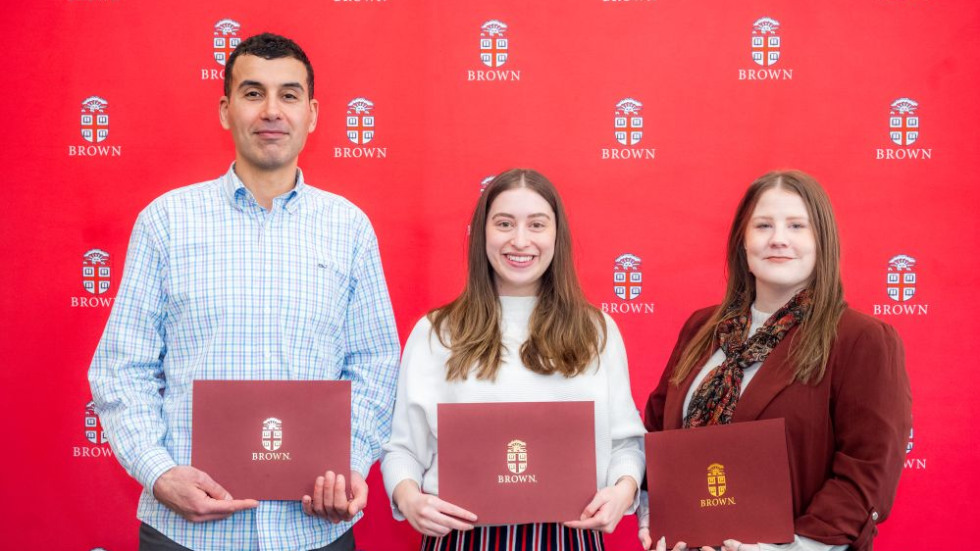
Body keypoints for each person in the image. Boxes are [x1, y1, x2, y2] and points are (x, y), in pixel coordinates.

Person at [88, 33, 400, 551]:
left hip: (312, 529)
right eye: (253, 93)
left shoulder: (350, 228)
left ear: (313, 113)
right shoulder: (166, 222)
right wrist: (160, 473)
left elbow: (375, 363)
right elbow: (122, 367)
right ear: (225, 109)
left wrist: (347, 465)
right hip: (184, 533)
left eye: (289, 95)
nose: (271, 111)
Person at [638, 171, 911, 551]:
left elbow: (868, 473)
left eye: (797, 226)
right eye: (763, 225)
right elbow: (656, 431)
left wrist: (790, 548)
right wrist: (655, 515)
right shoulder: (702, 327)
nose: (778, 238)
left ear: (821, 242)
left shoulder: (860, 338)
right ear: (743, 243)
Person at [381, 168, 646, 550]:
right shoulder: (436, 331)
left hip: (569, 539)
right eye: (504, 223)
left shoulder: (596, 330)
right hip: (464, 540)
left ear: (557, 236)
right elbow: (403, 448)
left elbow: (626, 445)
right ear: (481, 233)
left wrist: (623, 490)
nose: (520, 240)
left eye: (536, 225)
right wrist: (409, 498)